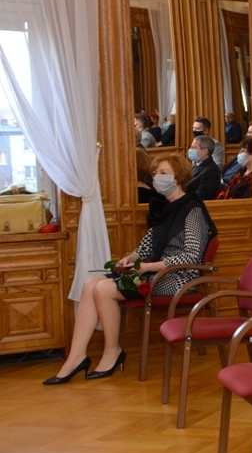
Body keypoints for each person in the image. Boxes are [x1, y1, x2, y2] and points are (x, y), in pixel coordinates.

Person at [44, 154, 217, 385]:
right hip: (157, 271)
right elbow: (147, 245)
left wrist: (146, 267)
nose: (156, 178)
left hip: (179, 277)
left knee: (104, 289)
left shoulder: (192, 209)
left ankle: (112, 352)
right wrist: (131, 258)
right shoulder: (165, 208)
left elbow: (191, 256)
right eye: (155, 173)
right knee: (90, 284)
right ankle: (76, 357)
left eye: (163, 173)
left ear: (178, 177)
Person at [186, 135, 222, 201]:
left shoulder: (212, 171)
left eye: (193, 148)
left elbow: (201, 195)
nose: (190, 150)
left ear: (204, 151)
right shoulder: (197, 165)